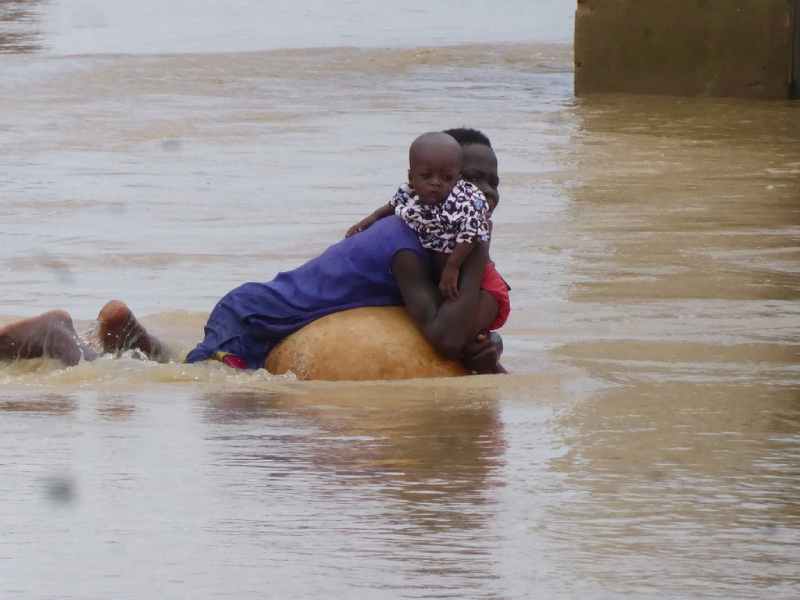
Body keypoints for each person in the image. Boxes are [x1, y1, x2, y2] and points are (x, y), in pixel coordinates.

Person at [0, 128, 506, 374]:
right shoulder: (407, 248)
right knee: (201, 389)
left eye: (489, 183)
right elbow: (442, 334)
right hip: (256, 316)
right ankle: (62, 342)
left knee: (184, 369)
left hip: (265, 315)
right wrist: (479, 242)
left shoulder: (425, 230)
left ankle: (136, 339)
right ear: (423, 181)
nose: (478, 194)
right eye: (466, 181)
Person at [346, 131, 509, 331]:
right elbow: (393, 205)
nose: (486, 190)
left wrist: (459, 262)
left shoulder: (470, 221)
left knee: (468, 341)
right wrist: (369, 220)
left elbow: (450, 336)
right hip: (453, 288)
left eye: (494, 183)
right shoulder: (419, 208)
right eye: (473, 178)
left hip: (486, 289)